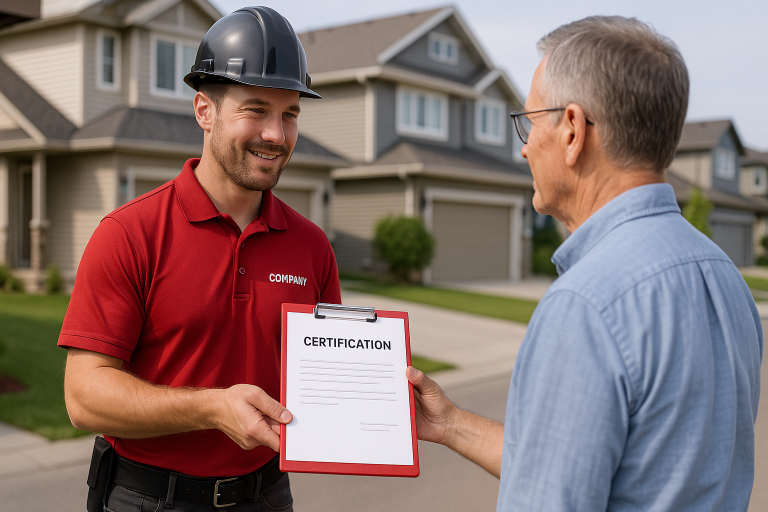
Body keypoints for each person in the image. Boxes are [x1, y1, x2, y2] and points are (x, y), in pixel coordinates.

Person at [407, 16, 763, 511]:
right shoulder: (726, 278)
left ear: (572, 130)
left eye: (529, 123)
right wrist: (451, 424)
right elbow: (596, 468)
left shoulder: (587, 306)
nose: (526, 147)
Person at [58, 7, 340, 512]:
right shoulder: (129, 234)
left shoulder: (312, 246)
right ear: (204, 111)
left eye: (290, 114)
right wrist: (212, 407)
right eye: (255, 109)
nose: (276, 134)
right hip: (149, 499)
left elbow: (330, 375)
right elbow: (83, 397)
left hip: (267, 497)